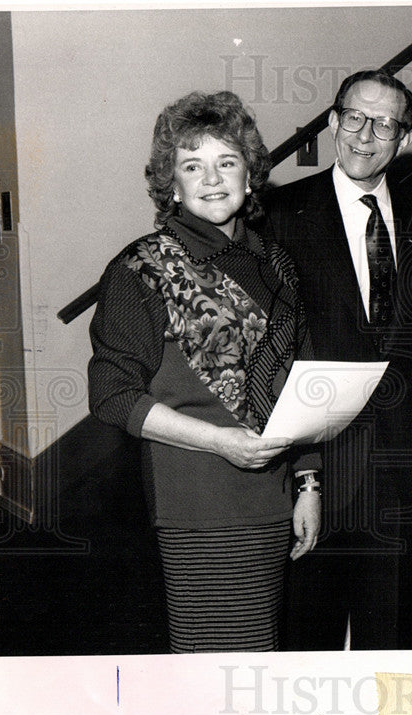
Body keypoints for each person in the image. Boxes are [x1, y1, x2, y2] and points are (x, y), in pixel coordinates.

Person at [88, 91, 320, 653]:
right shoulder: (140, 268)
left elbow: (304, 378)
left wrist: (309, 484)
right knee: (210, 663)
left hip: (272, 494)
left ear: (250, 175)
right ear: (172, 183)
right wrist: (219, 442)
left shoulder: (276, 263)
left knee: (257, 653)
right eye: (193, 165)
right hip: (195, 503)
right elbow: (111, 395)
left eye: (227, 162)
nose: (212, 179)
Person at [262, 70, 412, 650]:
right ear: (334, 122)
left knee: (392, 635)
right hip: (315, 465)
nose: (366, 135)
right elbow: (269, 353)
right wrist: (303, 475)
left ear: (404, 138)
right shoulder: (279, 214)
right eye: (355, 119)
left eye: (384, 124)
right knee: (306, 638)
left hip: (402, 459)